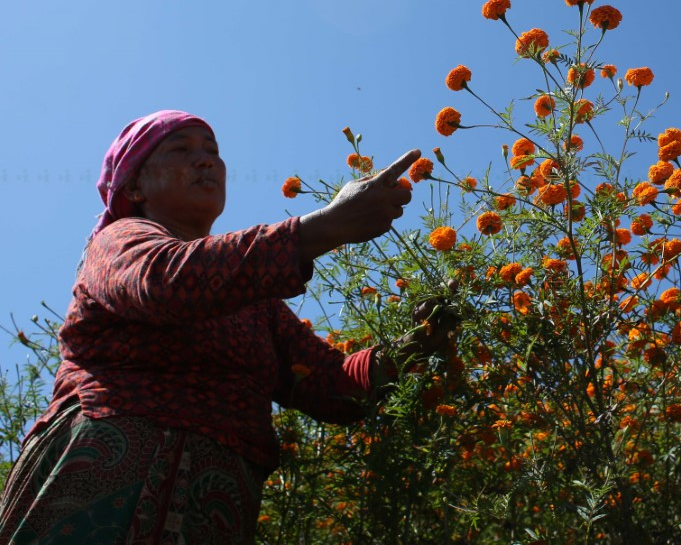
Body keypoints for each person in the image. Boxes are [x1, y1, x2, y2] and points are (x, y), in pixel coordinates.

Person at [0, 110, 453, 544]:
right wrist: (325, 227)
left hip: (214, 505)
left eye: (212, 150)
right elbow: (164, 283)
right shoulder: (119, 240)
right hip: (104, 479)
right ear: (135, 185)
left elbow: (331, 385)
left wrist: (411, 347)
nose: (205, 159)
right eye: (179, 150)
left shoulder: (255, 301)